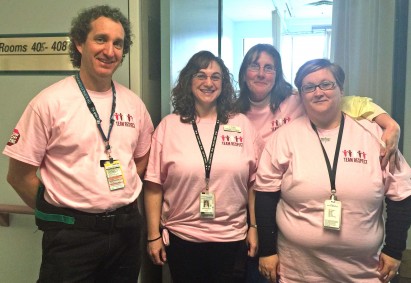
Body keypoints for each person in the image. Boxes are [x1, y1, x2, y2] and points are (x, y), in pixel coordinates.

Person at [3, 5, 154, 282]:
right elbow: (19, 175)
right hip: (72, 236)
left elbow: (143, 158)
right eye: (101, 39)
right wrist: (58, 208)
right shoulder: (49, 102)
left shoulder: (134, 104)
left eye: (117, 43)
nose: (110, 50)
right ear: (79, 43)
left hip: (126, 232)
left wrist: (118, 191)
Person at [234, 43, 401, 282]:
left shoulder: (295, 99)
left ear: (278, 74)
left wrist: (389, 122)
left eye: (269, 67)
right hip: (245, 201)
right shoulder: (231, 109)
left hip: (289, 196)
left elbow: (347, 101)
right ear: (243, 72)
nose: (261, 73)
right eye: (254, 66)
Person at [144, 50, 263, 283]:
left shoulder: (242, 125)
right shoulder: (169, 126)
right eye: (201, 75)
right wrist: (152, 236)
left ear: (224, 84)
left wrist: (254, 227)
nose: (209, 82)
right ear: (189, 82)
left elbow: (254, 183)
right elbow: (153, 184)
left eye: (215, 77)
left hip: (231, 238)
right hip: (182, 237)